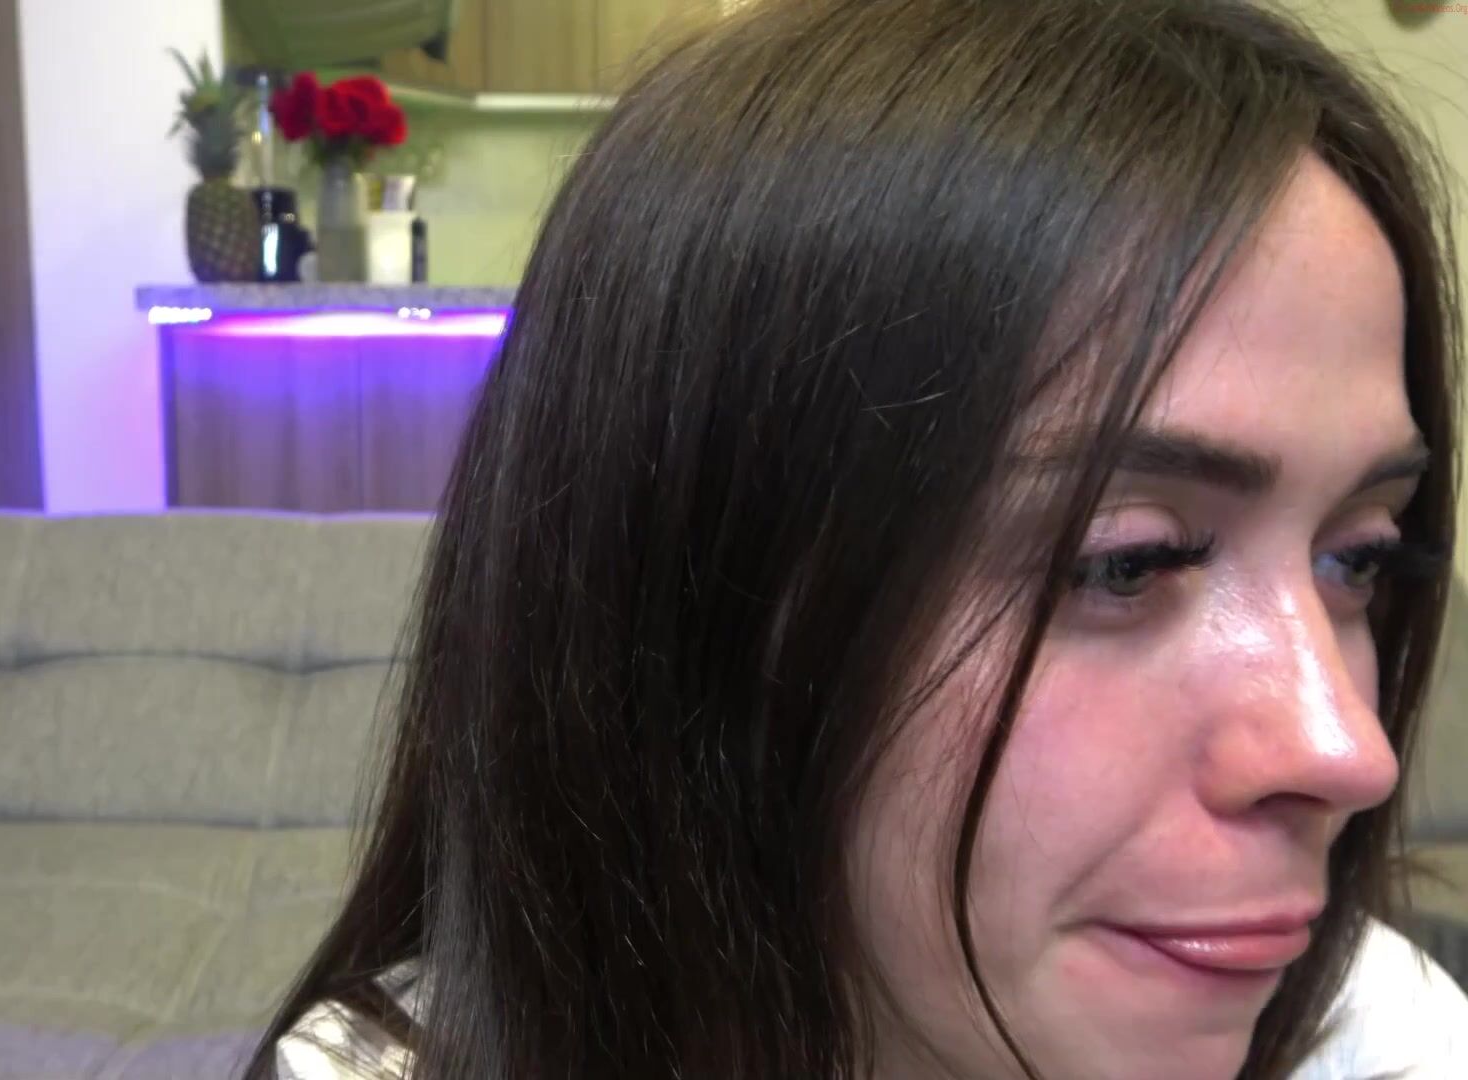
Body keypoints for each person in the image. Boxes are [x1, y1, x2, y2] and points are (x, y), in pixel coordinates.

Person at [243, 0, 1468, 1076]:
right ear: (696, 599)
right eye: (1127, 561)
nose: (1345, 751)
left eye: (1357, 558)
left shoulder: (1374, 1034)